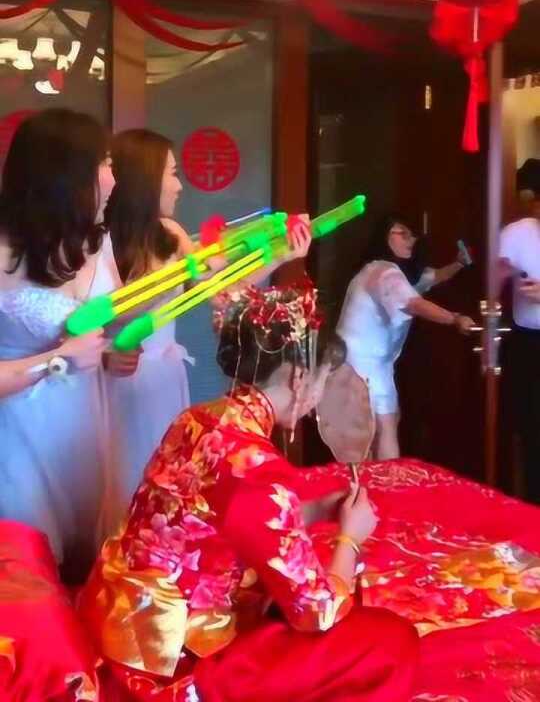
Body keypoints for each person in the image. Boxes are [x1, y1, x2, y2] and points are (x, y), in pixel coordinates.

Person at [79, 281, 418, 702]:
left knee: (273, 593)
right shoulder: (258, 468)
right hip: (173, 657)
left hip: (120, 616)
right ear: (298, 377)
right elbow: (317, 612)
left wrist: (312, 512)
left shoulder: (196, 418)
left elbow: (221, 516)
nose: (316, 398)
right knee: (389, 640)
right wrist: (349, 539)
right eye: (320, 381)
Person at [102, 128, 312, 531]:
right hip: (118, 375)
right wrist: (184, 273)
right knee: (121, 483)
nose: (179, 186)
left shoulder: (169, 233)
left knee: (154, 484)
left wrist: (281, 255)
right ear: (145, 179)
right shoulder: (109, 238)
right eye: (171, 173)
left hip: (161, 376)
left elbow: (221, 289)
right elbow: (111, 314)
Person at [0, 108, 117, 571]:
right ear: (66, 174)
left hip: (84, 425)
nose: (113, 179)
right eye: (104, 164)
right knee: (29, 570)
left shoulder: (96, 242)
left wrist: (116, 350)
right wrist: (57, 360)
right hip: (18, 433)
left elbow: (113, 320)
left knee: (86, 567)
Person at [337, 214, 475, 460]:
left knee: (383, 426)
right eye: (403, 234)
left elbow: (434, 277)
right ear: (385, 237)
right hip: (358, 366)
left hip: (371, 366)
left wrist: (459, 263)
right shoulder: (382, 271)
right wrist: (455, 319)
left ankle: (378, 481)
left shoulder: (399, 274)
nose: (411, 240)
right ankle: (380, 482)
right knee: (378, 431)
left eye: (412, 235)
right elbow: (414, 304)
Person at [499, 164, 540, 503]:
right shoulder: (517, 233)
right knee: (528, 430)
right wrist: (502, 271)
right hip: (526, 342)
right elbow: (491, 279)